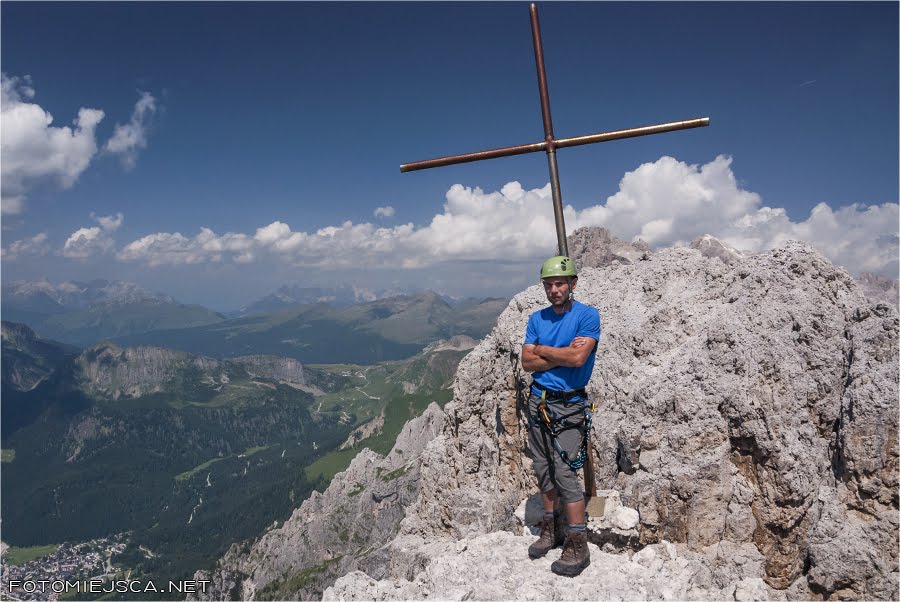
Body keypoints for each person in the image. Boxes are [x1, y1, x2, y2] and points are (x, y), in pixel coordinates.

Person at [521, 255, 600, 577]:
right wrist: (563, 354)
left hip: (569, 405)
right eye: (548, 285)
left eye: (559, 284)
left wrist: (543, 350)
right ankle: (551, 528)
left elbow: (579, 358)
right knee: (543, 468)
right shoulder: (536, 319)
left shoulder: (587, 315)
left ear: (572, 284)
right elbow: (527, 363)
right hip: (538, 401)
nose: (553, 290)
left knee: (565, 472)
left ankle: (578, 542)